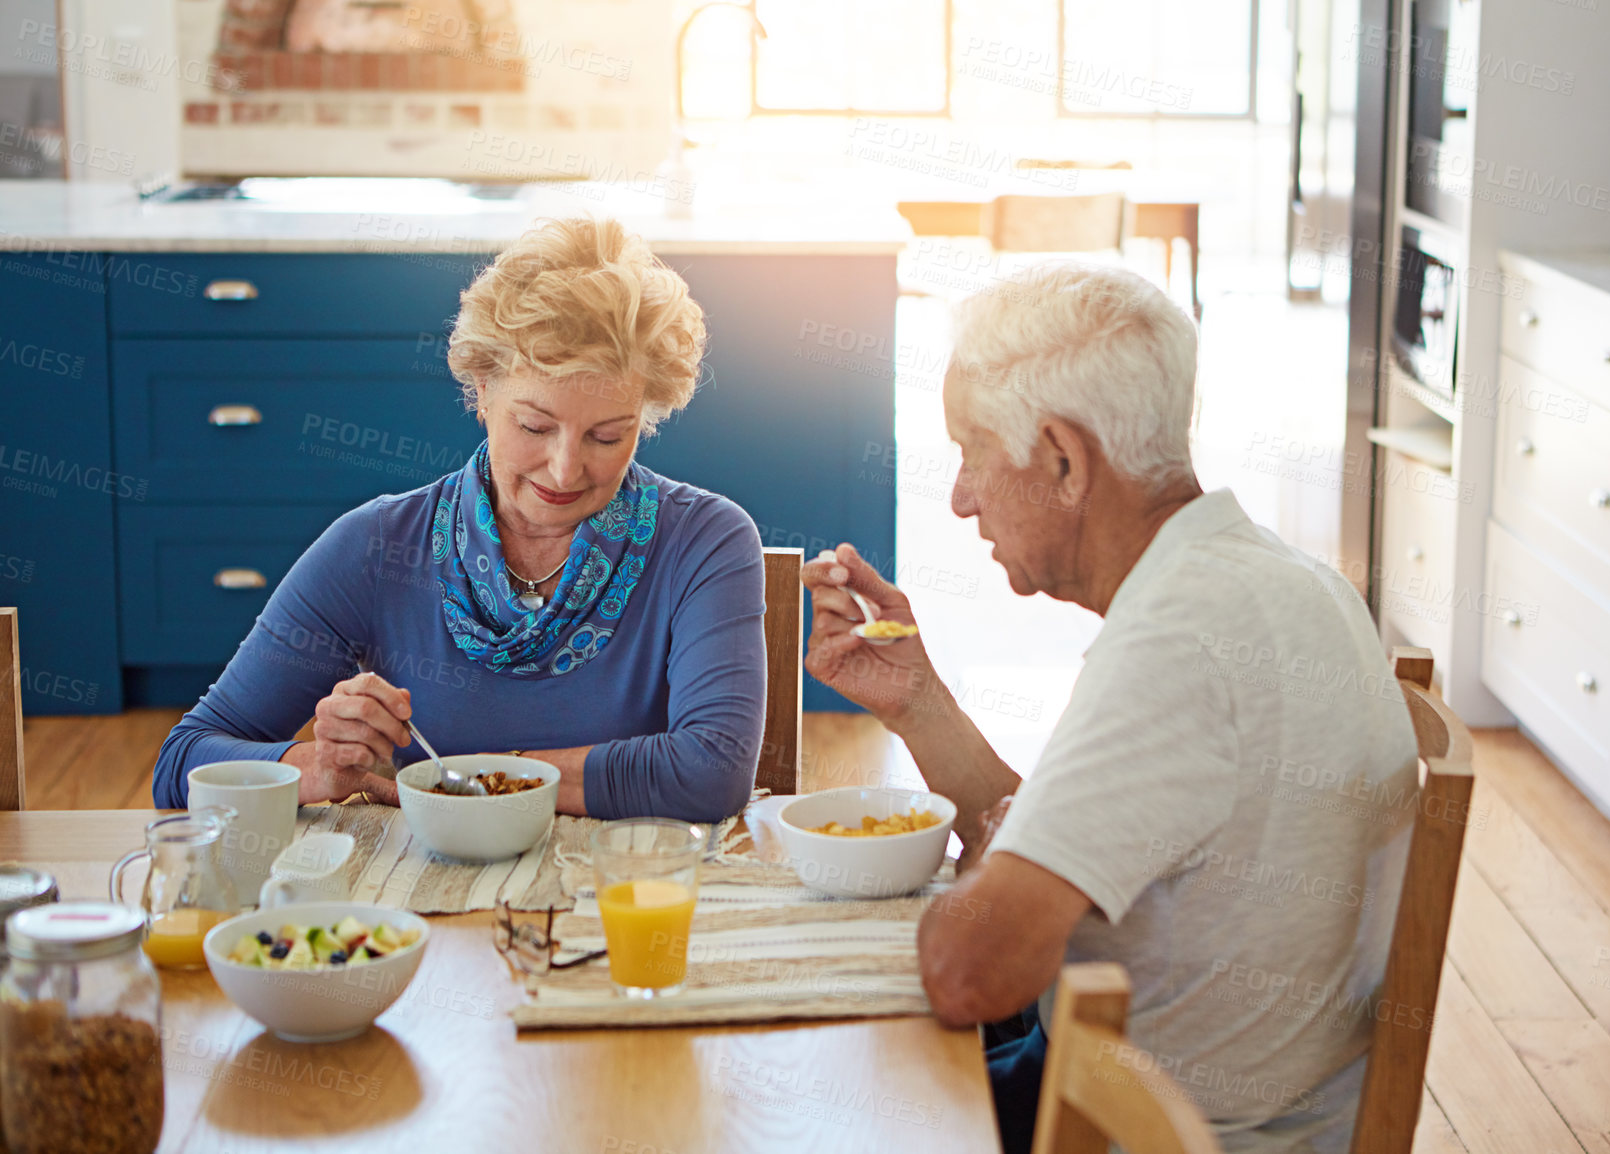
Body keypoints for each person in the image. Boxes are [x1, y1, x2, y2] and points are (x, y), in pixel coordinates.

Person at [802, 263, 1420, 1153]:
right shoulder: (1282, 581)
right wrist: (919, 702)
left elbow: (966, 973)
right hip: (1233, 1096)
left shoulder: (1179, 640)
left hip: (1153, 1127)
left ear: (1062, 458)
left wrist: (987, 879)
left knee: (800, 1087)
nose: (961, 495)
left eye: (971, 450)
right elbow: (1070, 846)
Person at [155, 217, 767, 822]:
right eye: (534, 426)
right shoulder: (376, 547)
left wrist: (476, 783)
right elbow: (182, 763)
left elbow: (711, 771)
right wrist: (316, 766)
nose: (564, 470)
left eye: (608, 436)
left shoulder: (705, 541)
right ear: (481, 389)